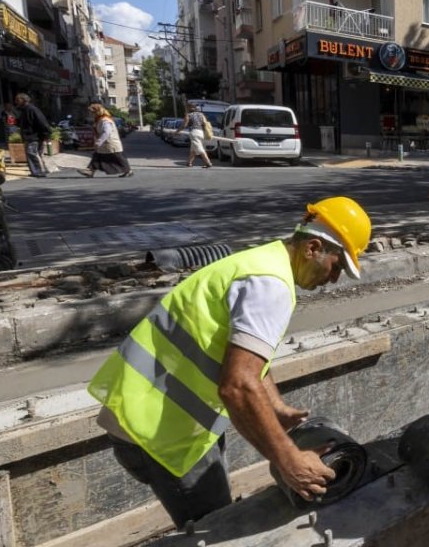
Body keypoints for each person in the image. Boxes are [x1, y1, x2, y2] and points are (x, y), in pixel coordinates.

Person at [87, 197, 372, 528]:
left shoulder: (262, 262)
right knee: (218, 526)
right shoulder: (272, 287)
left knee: (216, 514)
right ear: (313, 248)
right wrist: (289, 459)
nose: (334, 279)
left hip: (153, 415)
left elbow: (239, 354)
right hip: (158, 431)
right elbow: (238, 386)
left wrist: (275, 406)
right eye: (336, 267)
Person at [79, 103, 133, 178]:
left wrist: (99, 142)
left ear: (96, 112)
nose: (91, 114)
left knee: (118, 157)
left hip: (110, 143)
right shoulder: (99, 119)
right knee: (97, 156)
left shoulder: (105, 120)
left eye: (92, 112)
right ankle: (90, 170)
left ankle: (128, 170)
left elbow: (107, 132)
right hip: (105, 144)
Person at [14, 93, 52, 178]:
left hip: (34, 136)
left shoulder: (32, 109)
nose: (16, 102)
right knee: (36, 153)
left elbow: (42, 122)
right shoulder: (24, 111)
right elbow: (23, 123)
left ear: (23, 100)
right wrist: (15, 122)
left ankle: (38, 171)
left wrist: (47, 134)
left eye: (18, 100)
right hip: (31, 136)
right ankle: (41, 170)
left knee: (32, 153)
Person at [175, 104, 213, 168]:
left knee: (200, 149)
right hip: (201, 132)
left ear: (189, 109)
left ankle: (208, 163)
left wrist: (177, 131)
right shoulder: (201, 115)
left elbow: (184, 125)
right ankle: (189, 163)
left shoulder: (188, 115)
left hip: (194, 133)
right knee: (193, 149)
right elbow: (205, 123)